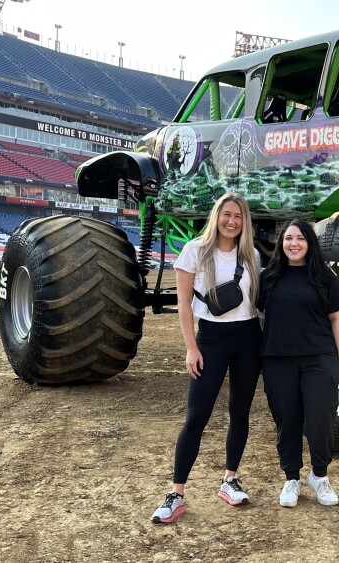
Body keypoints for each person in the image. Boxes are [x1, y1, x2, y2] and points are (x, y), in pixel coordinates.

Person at [151, 192, 262, 524]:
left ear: (245, 222)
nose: (232, 221)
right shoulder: (195, 251)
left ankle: (229, 479)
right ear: (217, 216)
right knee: (196, 416)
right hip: (211, 339)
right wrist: (191, 348)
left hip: (248, 337)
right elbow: (184, 304)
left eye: (239, 216)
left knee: (239, 412)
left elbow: (258, 302)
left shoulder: (252, 255)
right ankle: (176, 493)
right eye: (226, 214)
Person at [257, 219, 339, 507]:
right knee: (286, 420)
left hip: (319, 357)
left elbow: (337, 319)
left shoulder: (324, 278)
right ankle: (291, 478)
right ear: (281, 243)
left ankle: (319, 476)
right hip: (278, 358)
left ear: (310, 243)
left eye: (300, 238)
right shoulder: (269, 277)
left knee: (320, 419)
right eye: (288, 238)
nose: (294, 243)